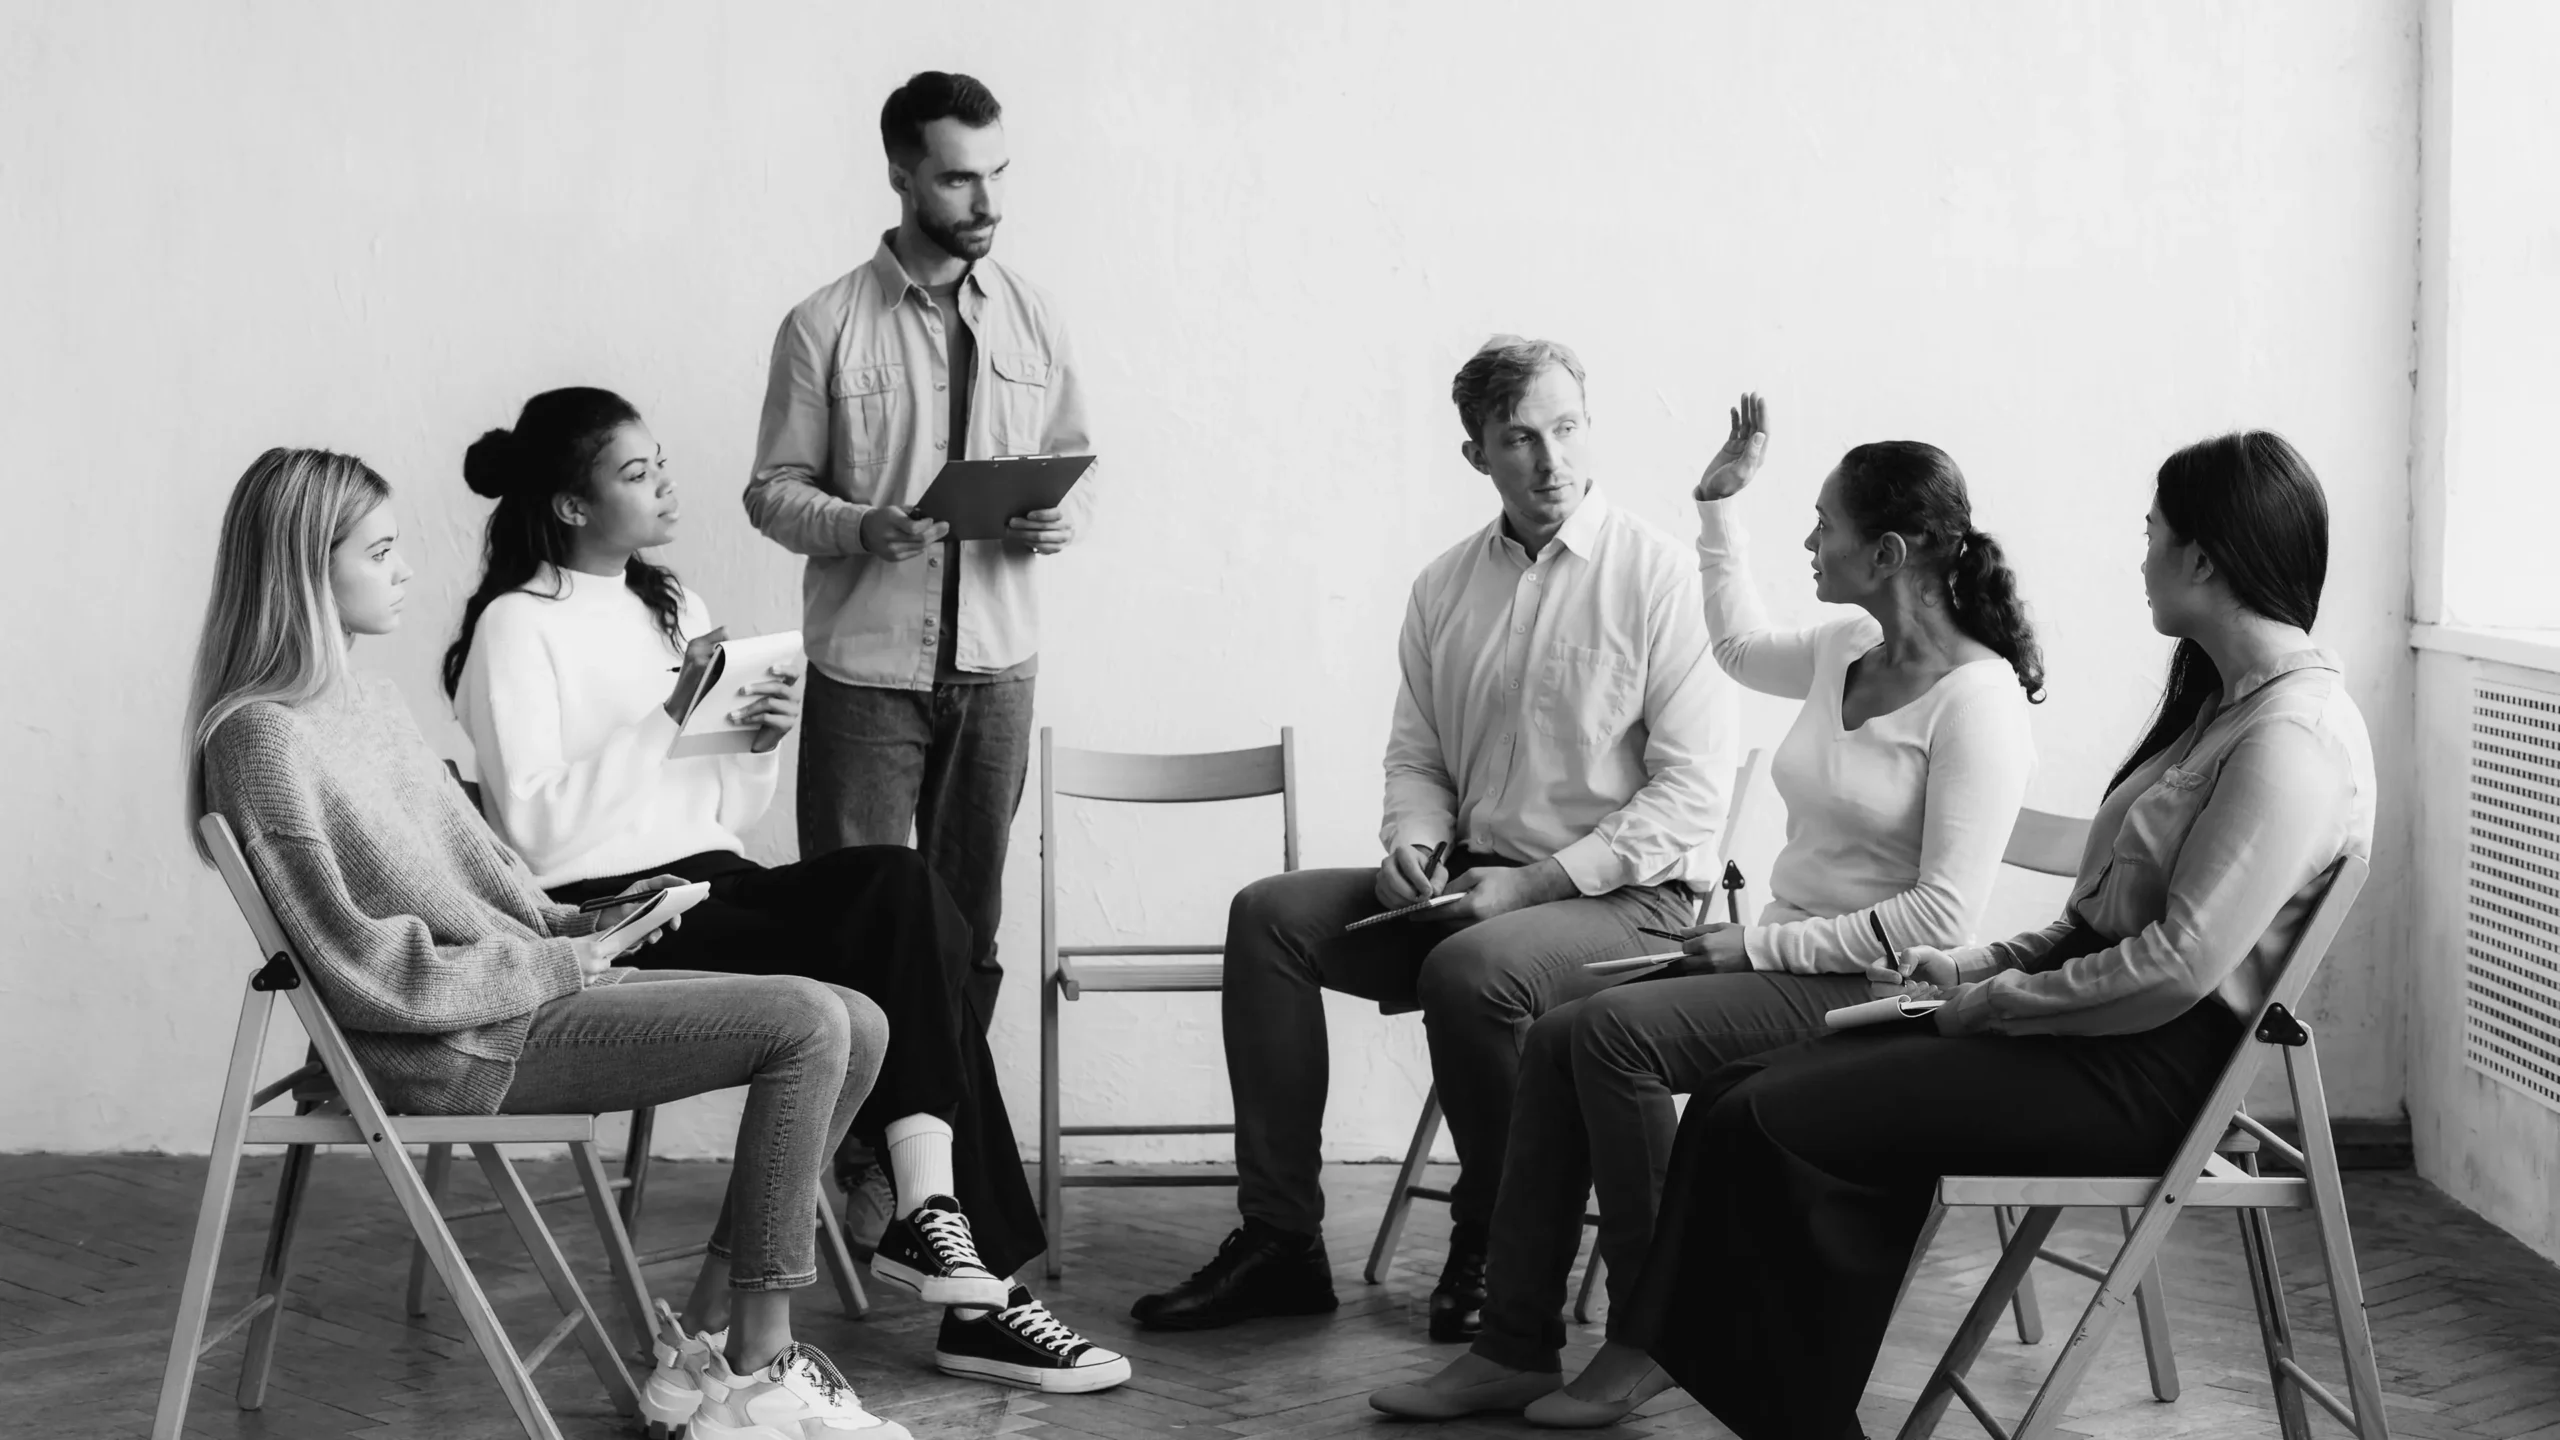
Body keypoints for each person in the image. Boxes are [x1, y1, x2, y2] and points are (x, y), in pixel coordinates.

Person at [1626, 430, 2375, 1440]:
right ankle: (1769, 1401)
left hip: (2139, 1069)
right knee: (1733, 1093)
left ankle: (1789, 1414)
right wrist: (1977, 964)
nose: (2140, 557)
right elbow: (2095, 921)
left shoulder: (2289, 738)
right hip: (2092, 1029)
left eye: (2151, 534)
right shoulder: (2222, 706)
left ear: (2203, 559)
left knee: (1773, 1119)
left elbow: (2174, 969)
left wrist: (1993, 1005)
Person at [183, 448, 908, 1440]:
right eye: (379, 552)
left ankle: (704, 1341)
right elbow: (361, 972)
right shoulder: (260, 740)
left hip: (519, 995)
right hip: (449, 1045)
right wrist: (564, 961)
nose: (404, 570)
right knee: (811, 1021)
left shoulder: (366, 704)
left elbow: (489, 883)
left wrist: (596, 921)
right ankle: (755, 1365)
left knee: (860, 1020)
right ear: (305, 569)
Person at [445, 388, 1127, 1396]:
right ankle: (972, 1279)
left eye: (659, 462)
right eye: (634, 472)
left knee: (904, 896)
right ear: (571, 506)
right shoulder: (515, 626)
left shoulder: (671, 606)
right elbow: (539, 831)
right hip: (614, 913)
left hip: (713, 878)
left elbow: (722, 808)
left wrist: (751, 743)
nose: (664, 483)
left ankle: (938, 1227)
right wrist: (668, 714)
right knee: (909, 924)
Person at [1374, 397, 2043, 1423]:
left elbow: (1938, 921)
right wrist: (1718, 507)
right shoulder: (1845, 647)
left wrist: (1758, 945)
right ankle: (1514, 1344)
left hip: (1878, 990)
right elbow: (1734, 648)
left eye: (1824, 525)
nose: (1809, 541)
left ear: (1888, 553)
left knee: (1609, 1040)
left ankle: (1655, 1339)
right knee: (1557, 1033)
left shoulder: (1977, 702)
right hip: (1786, 960)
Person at [1132, 337, 1737, 1339]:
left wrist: (1534, 885)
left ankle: (1500, 1244)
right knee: (1269, 916)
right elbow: (1417, 757)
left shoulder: (1664, 579)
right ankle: (1281, 1241)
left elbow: (1690, 798)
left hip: (1629, 904)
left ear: (1589, 427)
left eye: (1566, 428)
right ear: (1477, 456)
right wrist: (1412, 843)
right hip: (1469, 888)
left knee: (1469, 971)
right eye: (1519, 439)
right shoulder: (1444, 585)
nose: (1550, 459)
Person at [745, 69, 1093, 1045]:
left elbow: (1078, 463)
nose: (987, 202)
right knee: (846, 928)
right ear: (901, 177)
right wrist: (863, 527)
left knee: (967, 931)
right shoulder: (822, 324)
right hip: (866, 674)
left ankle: (950, 1132)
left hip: (997, 670)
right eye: (957, 179)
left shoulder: (1036, 316)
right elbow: (771, 491)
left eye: (998, 174)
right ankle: (857, 1133)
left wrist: (1058, 518)